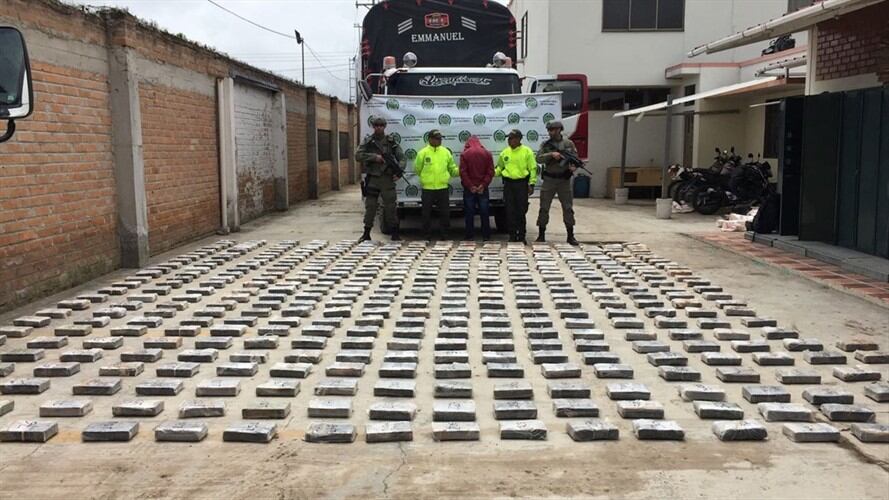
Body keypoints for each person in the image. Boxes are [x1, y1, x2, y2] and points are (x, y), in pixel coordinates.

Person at [355, 117, 405, 243]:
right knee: (370, 207)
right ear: (373, 127)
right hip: (373, 179)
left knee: (390, 207)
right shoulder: (368, 141)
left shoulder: (391, 142)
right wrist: (374, 157)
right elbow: (358, 155)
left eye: (381, 125)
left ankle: (394, 233)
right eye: (376, 125)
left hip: (387, 180)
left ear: (384, 127)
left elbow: (402, 158)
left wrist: (399, 171)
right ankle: (366, 233)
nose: (379, 128)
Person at [536, 120, 579, 246]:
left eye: (553, 130)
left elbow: (575, 159)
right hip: (549, 180)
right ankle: (541, 234)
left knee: (568, 208)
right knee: (544, 208)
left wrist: (573, 167)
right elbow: (538, 158)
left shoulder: (568, 143)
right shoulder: (546, 144)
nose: (550, 132)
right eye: (549, 130)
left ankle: (570, 235)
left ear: (560, 129)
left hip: (564, 180)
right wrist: (551, 154)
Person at [414, 129, 458, 239]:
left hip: (442, 187)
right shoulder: (422, 153)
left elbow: (452, 168)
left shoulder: (446, 152)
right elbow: (417, 169)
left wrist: (460, 171)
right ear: (430, 139)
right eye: (436, 138)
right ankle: (426, 235)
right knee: (426, 213)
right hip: (428, 188)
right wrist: (426, 179)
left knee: (445, 213)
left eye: (440, 138)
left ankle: (445, 234)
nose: (439, 140)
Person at [495, 129, 537, 244]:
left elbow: (532, 168)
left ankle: (522, 236)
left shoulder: (527, 152)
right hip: (508, 184)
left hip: (521, 184)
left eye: (512, 138)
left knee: (521, 211)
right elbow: (499, 168)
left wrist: (532, 183)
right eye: (508, 139)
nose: (509, 141)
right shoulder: (505, 153)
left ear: (518, 139)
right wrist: (489, 174)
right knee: (510, 211)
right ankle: (512, 236)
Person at [459, 136, 494, 240]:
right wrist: (483, 185)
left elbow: (463, 172)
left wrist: (470, 186)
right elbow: (491, 172)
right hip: (483, 188)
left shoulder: (465, 154)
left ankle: (469, 235)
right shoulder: (487, 153)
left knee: (469, 212)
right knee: (484, 212)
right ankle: (486, 236)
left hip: (470, 189)